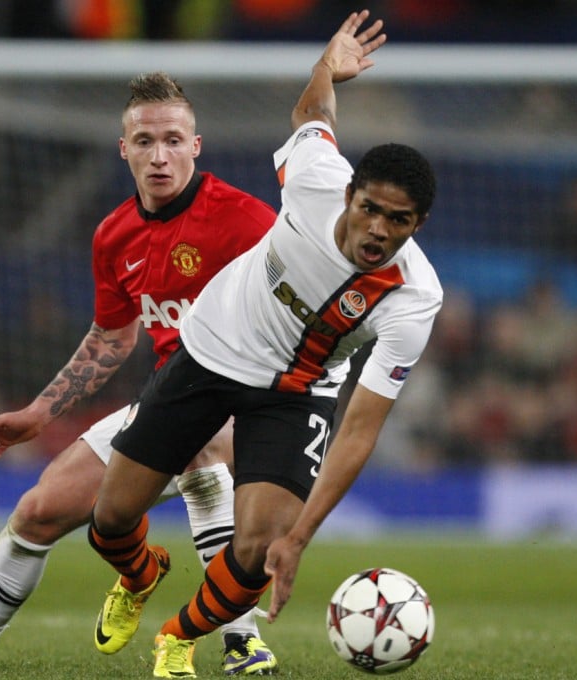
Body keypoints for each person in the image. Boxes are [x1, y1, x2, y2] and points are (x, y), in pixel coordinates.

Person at [0, 72, 281, 675]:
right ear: (123, 149)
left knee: (202, 447)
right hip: (170, 401)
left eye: (173, 140)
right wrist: (36, 414)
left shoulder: (247, 222)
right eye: (145, 141)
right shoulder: (114, 235)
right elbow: (111, 338)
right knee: (38, 511)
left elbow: (300, 311)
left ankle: (242, 642)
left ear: (196, 146)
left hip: (247, 402)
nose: (159, 155)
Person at [87, 11, 443, 678]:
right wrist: (327, 65)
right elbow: (312, 110)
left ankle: (178, 638)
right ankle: (140, 576)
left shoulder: (414, 297)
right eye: (368, 208)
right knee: (108, 522)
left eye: (397, 222)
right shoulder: (313, 180)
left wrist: (302, 536)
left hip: (298, 391)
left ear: (417, 225)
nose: (376, 229)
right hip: (214, 351)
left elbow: (361, 431)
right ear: (350, 192)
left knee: (259, 546)